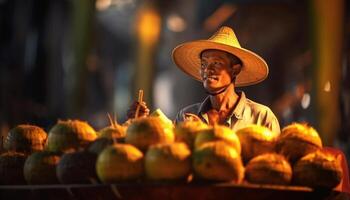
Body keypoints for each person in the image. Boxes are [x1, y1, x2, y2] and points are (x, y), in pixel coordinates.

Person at [127, 26, 280, 133]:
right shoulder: (185, 117)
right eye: (204, 64)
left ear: (235, 69)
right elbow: (169, 156)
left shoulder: (262, 117)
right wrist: (143, 123)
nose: (207, 70)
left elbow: (275, 168)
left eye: (217, 63)